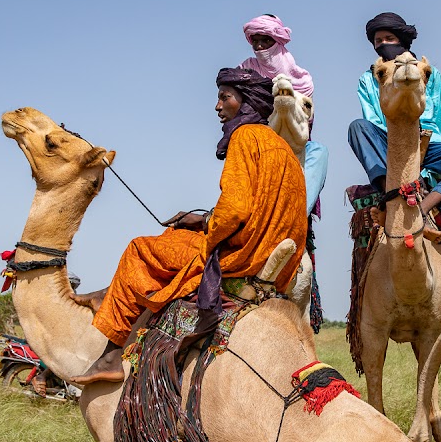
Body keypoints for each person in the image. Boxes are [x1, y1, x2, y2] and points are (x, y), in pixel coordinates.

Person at [70, 68, 308, 384]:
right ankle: (121, 297)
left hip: (244, 256)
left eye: (225, 97)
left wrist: (210, 232)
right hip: (272, 256)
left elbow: (235, 209)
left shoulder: (243, 136)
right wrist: (202, 220)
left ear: (245, 101)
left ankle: (110, 358)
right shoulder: (278, 146)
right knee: (175, 235)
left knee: (140, 249)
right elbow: (257, 208)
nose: (217, 106)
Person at [347, 12, 441, 226]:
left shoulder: (428, 73)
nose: (383, 44)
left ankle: (426, 206)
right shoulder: (369, 79)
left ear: (401, 40)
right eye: (378, 41)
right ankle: (389, 193)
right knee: (358, 128)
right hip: (392, 144)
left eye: (389, 39)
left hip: (431, 145)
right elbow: (373, 119)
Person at [238, 14, 326, 217]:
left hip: (293, 141)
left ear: (277, 41)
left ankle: (298, 214)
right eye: (255, 41)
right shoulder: (245, 69)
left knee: (319, 153)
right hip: (258, 140)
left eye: (265, 40)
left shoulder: (302, 80)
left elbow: (306, 118)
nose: (259, 46)